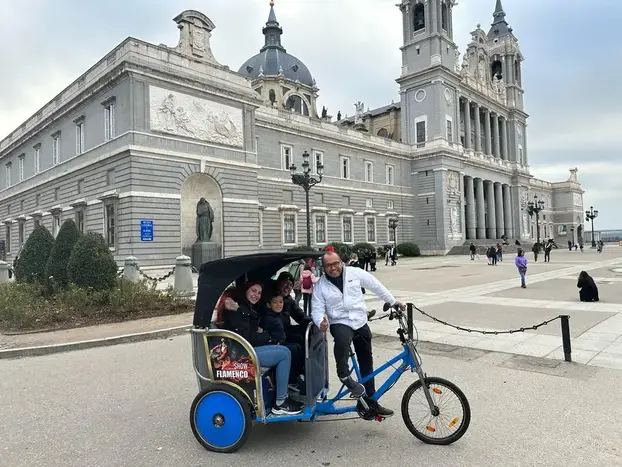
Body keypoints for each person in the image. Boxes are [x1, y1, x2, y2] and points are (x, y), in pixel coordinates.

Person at [311, 251, 405, 418]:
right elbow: (316, 308)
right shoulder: (320, 286)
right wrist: (320, 321)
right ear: (323, 268)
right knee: (341, 339)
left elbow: (376, 286)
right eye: (328, 265)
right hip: (340, 321)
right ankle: (344, 375)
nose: (333, 268)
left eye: (335, 263)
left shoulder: (355, 273)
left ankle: (372, 402)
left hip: (360, 320)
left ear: (341, 262)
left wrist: (392, 302)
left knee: (366, 362)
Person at [222, 281, 302, 415]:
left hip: (246, 348)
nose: (256, 295)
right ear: (246, 290)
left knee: (286, 349)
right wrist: (267, 336)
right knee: (284, 353)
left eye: (259, 293)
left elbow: (252, 331)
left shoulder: (247, 307)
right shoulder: (238, 309)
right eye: (253, 291)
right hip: (242, 353)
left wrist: (262, 333)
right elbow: (247, 336)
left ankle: (284, 390)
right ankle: (280, 402)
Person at [260, 292, 305, 390]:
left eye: (280, 302)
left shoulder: (278, 315)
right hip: (273, 344)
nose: (278, 305)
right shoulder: (268, 317)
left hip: (279, 340)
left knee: (298, 343)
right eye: (275, 302)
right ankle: (291, 379)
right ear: (268, 305)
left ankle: (297, 374)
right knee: (293, 349)